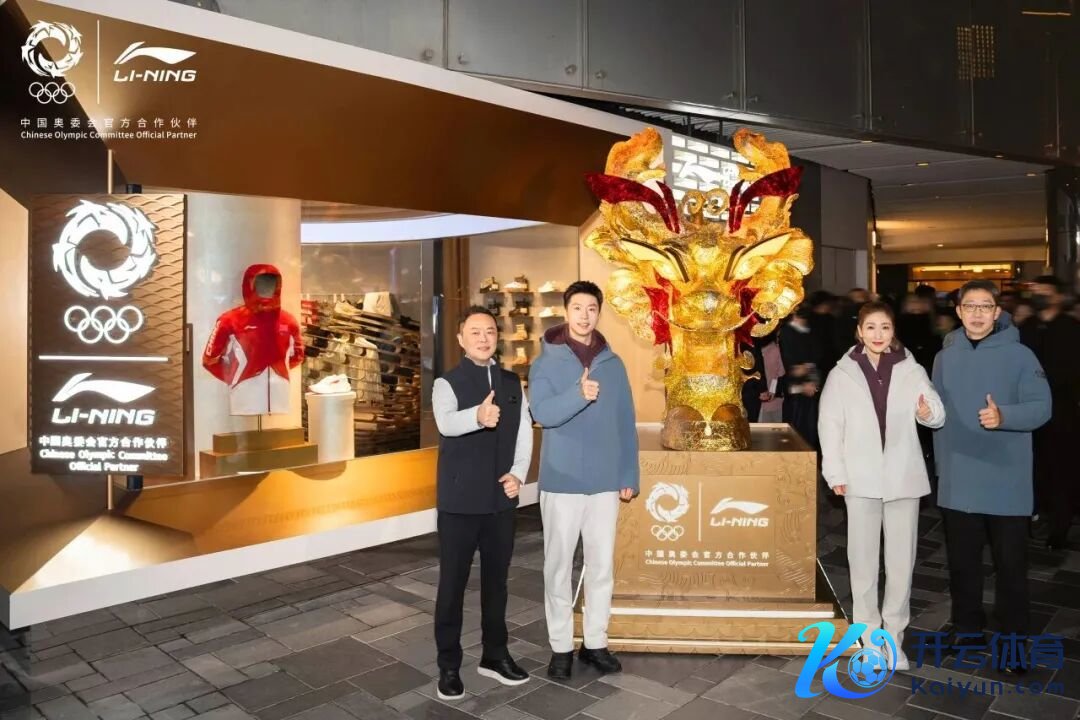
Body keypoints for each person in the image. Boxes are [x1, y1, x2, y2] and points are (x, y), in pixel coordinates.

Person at [819, 301, 945, 670]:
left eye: (885, 327)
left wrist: (928, 412)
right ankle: (870, 639)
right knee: (862, 563)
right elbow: (830, 425)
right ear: (859, 332)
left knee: (901, 564)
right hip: (859, 478)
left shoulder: (910, 368)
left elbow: (937, 412)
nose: (878, 334)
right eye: (871, 327)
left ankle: (894, 640)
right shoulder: (842, 373)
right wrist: (835, 473)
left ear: (893, 331)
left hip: (903, 477)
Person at [933, 280, 1051, 663]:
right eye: (970, 306)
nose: (978, 313)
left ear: (997, 312)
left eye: (985, 306)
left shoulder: (1021, 355)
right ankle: (967, 630)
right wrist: (926, 416)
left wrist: (1005, 416)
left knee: (1011, 568)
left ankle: (1013, 642)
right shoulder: (944, 357)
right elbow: (936, 413)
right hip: (959, 478)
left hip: (1006, 480)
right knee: (963, 565)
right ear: (958, 311)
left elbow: (1042, 407)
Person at [528, 281, 639, 680]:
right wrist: (579, 394)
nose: (584, 315)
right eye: (577, 307)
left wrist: (628, 474)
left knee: (601, 566)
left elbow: (625, 422)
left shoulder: (613, 363)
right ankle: (561, 647)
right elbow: (542, 413)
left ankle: (595, 642)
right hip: (562, 481)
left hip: (605, 482)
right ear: (566, 311)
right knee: (558, 567)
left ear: (598, 312)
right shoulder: (545, 362)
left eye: (591, 308)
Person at [431, 307, 533, 700]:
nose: (483, 338)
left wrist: (518, 473)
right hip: (458, 504)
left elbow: (523, 431)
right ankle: (448, 666)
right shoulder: (447, 383)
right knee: (452, 587)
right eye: (475, 332)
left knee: (497, 585)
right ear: (461, 339)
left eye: (489, 331)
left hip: (500, 502)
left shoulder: (511, 381)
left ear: (497, 337)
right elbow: (446, 423)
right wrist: (478, 415)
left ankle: (494, 655)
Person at [1019, 276, 1080, 550]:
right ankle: (1032, 517)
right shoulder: (1027, 327)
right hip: (1029, 413)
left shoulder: (1070, 328)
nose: (1039, 294)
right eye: (1036, 290)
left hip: (1061, 413)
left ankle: (1059, 528)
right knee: (1033, 470)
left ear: (1058, 296)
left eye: (1045, 290)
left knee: (1060, 471)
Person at [780, 306, 823, 451]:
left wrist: (812, 381)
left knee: (809, 434)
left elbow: (816, 360)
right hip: (794, 394)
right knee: (795, 436)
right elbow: (789, 369)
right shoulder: (786, 332)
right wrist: (801, 381)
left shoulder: (811, 331)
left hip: (810, 390)